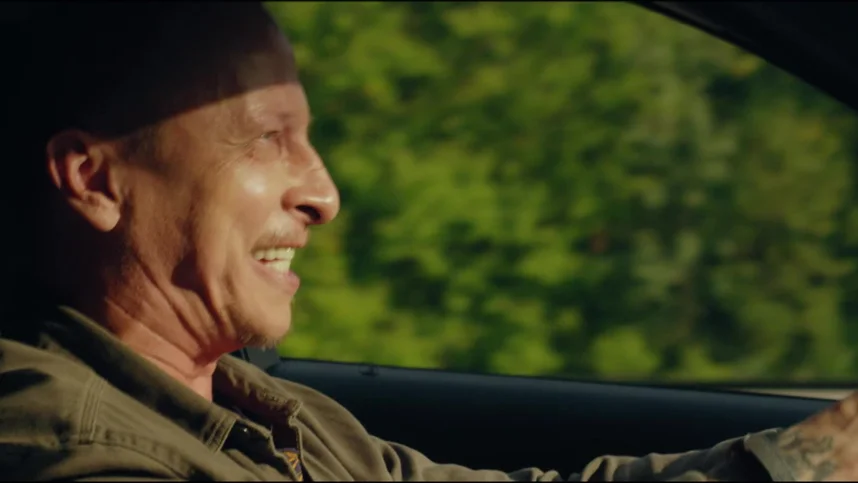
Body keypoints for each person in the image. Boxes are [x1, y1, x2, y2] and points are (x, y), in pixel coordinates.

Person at [0, 2, 854, 481]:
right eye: (265, 139)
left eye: (308, 139)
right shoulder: (69, 451)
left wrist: (817, 454)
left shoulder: (273, 415)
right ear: (95, 180)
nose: (324, 194)